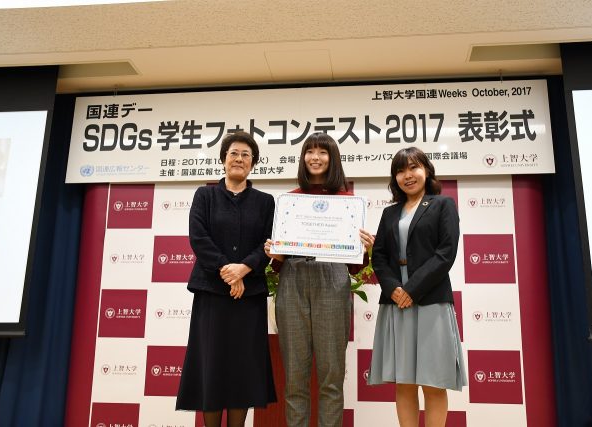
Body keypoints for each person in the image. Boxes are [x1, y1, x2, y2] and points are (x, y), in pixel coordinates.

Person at [264, 132, 374, 427]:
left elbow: (354, 268)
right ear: (302, 159)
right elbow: (277, 264)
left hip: (332, 280)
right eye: (309, 151)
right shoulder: (290, 201)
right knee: (295, 379)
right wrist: (275, 252)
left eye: (322, 152)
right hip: (293, 281)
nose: (315, 157)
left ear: (332, 159)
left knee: (331, 378)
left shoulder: (347, 203)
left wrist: (365, 247)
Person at [176, 131, 276, 427]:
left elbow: (269, 242)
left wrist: (244, 269)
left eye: (246, 155)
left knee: (241, 371)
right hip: (211, 294)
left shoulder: (265, 201)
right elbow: (199, 238)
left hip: (250, 297)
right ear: (223, 159)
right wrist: (228, 271)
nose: (239, 159)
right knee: (212, 368)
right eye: (234, 153)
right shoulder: (205, 195)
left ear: (253, 163)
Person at [367, 147, 466, 427]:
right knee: (404, 383)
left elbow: (445, 253)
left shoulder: (442, 205)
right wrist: (394, 289)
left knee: (433, 383)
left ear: (427, 170)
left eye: (413, 168)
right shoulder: (389, 213)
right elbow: (380, 256)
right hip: (395, 303)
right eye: (400, 170)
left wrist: (411, 289)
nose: (407, 175)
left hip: (430, 302)